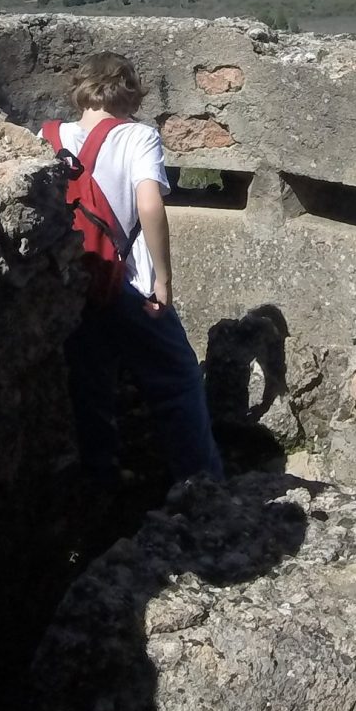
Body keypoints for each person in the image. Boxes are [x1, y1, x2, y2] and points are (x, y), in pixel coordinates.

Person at [45, 52, 224, 488]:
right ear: (129, 92)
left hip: (70, 283)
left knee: (91, 383)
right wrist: (162, 279)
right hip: (126, 282)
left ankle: (100, 482)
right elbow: (148, 204)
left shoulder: (48, 136)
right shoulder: (137, 137)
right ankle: (202, 486)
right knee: (178, 378)